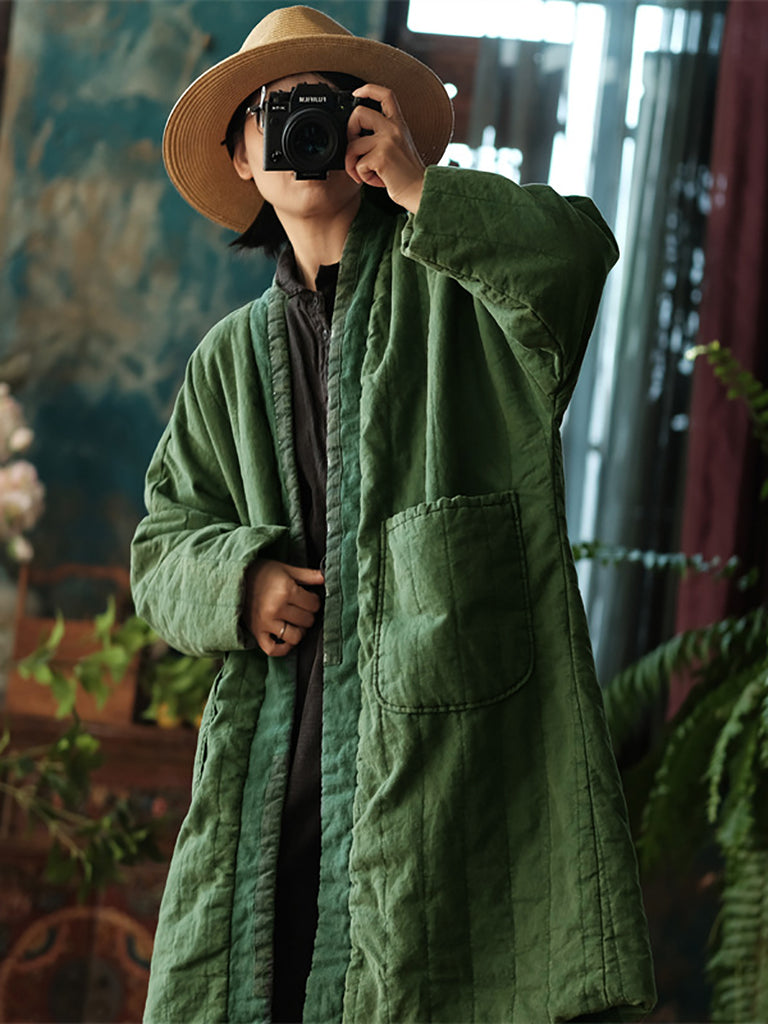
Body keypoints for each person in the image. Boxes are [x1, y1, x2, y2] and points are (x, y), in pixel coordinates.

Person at [131, 6, 656, 1022]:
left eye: (325, 106)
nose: (301, 129)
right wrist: (240, 580)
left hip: (449, 780)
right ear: (241, 155)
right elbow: (161, 548)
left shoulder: (468, 299)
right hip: (274, 777)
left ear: (369, 124)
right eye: (273, 112)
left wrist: (422, 189)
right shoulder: (226, 362)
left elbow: (576, 256)